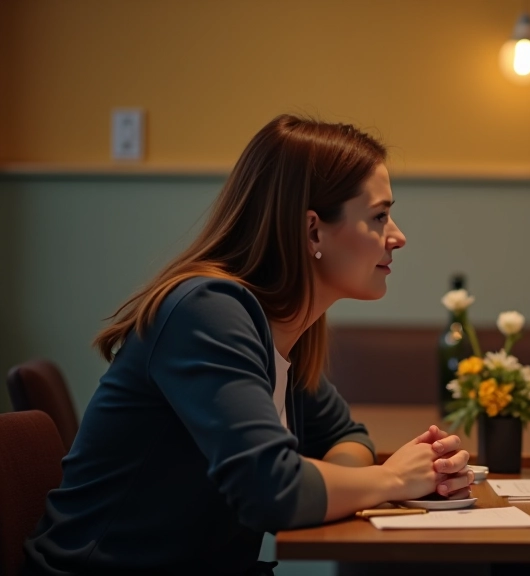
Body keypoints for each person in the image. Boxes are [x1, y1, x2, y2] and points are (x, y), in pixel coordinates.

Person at [24, 115, 472, 576]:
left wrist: (369, 481)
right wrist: (392, 478)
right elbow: (272, 491)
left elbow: (345, 437)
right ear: (313, 230)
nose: (397, 236)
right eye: (379, 216)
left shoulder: (285, 325)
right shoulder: (207, 312)